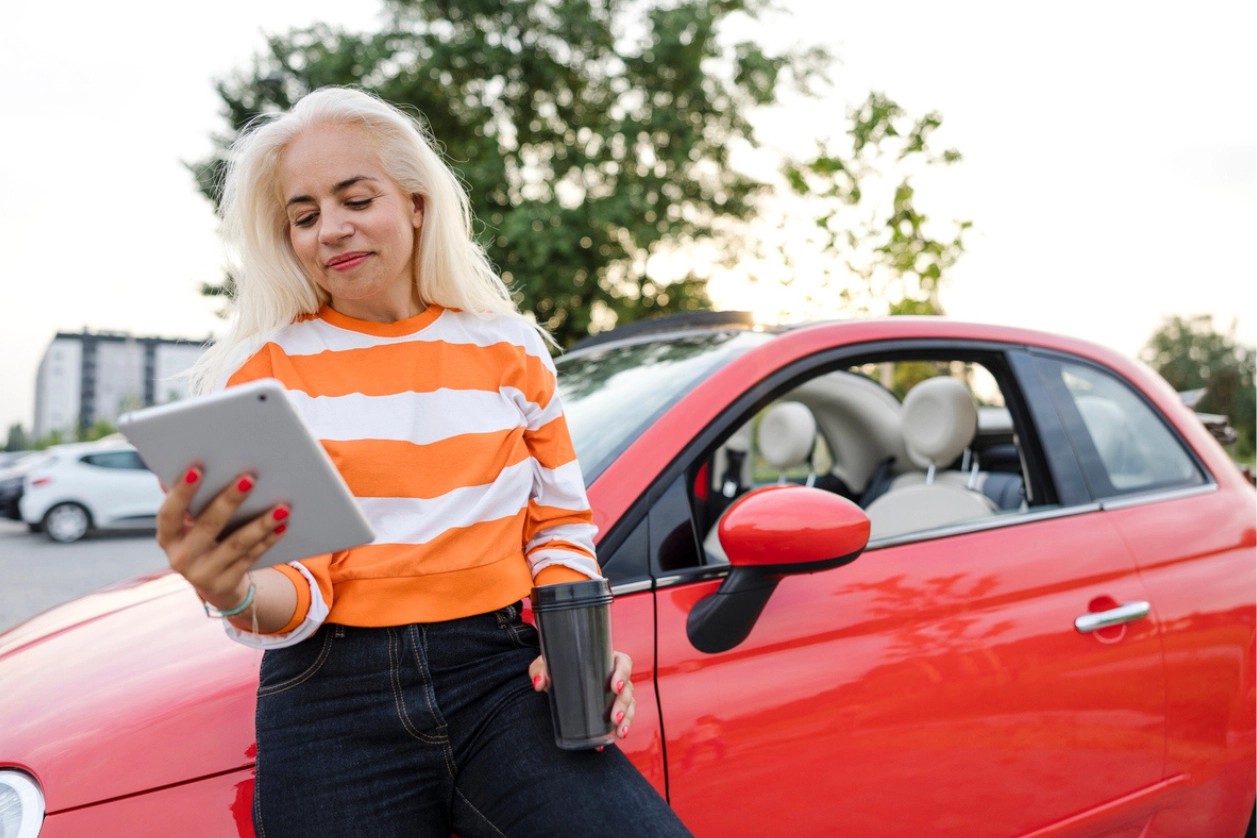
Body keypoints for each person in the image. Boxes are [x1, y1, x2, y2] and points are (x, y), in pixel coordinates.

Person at [158, 85, 691, 837]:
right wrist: (235, 591)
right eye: (304, 216)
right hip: (331, 698)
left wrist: (581, 647)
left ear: (414, 202)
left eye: (355, 198)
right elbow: (297, 590)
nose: (330, 230)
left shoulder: (510, 347)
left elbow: (560, 525)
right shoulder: (260, 372)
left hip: (501, 678)